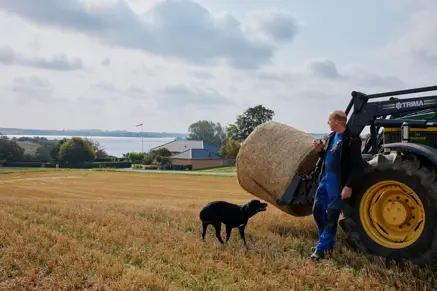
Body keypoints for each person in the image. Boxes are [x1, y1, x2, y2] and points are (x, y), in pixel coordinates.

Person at [310, 110, 365, 261]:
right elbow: (329, 158)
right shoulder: (332, 137)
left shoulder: (352, 139)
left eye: (329, 120)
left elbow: (356, 165)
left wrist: (349, 185)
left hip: (338, 182)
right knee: (317, 210)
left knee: (332, 215)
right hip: (325, 179)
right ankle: (326, 242)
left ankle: (321, 248)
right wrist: (320, 151)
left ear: (337, 121)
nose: (328, 123)